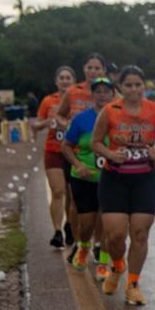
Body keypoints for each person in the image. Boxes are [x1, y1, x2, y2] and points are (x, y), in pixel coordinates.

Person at [90, 65, 155, 305]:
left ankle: (133, 284)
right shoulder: (109, 111)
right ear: (120, 87)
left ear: (144, 86)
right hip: (114, 179)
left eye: (138, 84)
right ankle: (118, 265)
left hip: (145, 180)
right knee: (115, 234)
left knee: (140, 233)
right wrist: (110, 153)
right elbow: (95, 143)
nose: (133, 89)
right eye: (128, 85)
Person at [59, 76, 116, 277]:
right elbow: (66, 146)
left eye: (106, 91)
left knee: (108, 223)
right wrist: (78, 164)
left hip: (112, 178)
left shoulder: (119, 118)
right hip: (84, 178)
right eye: (98, 91)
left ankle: (103, 264)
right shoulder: (80, 119)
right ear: (92, 95)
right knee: (87, 224)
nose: (102, 95)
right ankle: (83, 246)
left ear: (113, 94)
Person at [32, 66, 76, 248]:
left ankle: (70, 225)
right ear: (56, 81)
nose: (65, 81)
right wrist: (46, 122)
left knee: (72, 195)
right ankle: (57, 232)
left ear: (73, 81)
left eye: (68, 78)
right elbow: (35, 125)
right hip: (53, 149)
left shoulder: (78, 100)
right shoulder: (48, 100)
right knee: (58, 191)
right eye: (62, 78)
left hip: (74, 152)